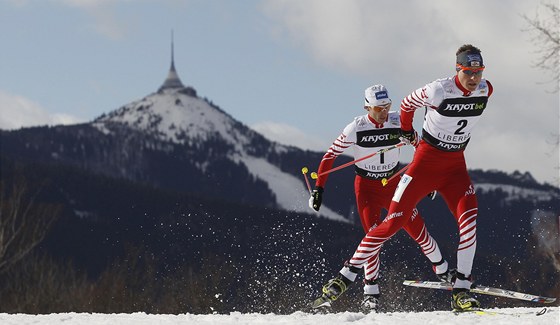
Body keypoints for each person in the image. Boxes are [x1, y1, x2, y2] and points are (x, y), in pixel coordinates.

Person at [316, 44, 493, 312]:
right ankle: (347, 275)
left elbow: (403, 112)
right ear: (458, 69)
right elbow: (409, 103)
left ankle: (461, 287)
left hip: (455, 169)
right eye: (469, 71)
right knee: (393, 223)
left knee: (469, 223)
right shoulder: (438, 90)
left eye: (478, 72)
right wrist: (409, 130)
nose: (474, 78)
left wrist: (408, 135)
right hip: (422, 167)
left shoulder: (485, 89)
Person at [309, 84, 449, 312]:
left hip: (394, 183)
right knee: (373, 236)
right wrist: (319, 189)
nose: (383, 112)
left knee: (417, 229)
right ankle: (370, 292)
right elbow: (329, 156)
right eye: (378, 109)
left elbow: (422, 148)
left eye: (387, 107)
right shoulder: (356, 127)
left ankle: (443, 270)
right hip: (367, 188)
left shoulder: (397, 120)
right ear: (367, 107)